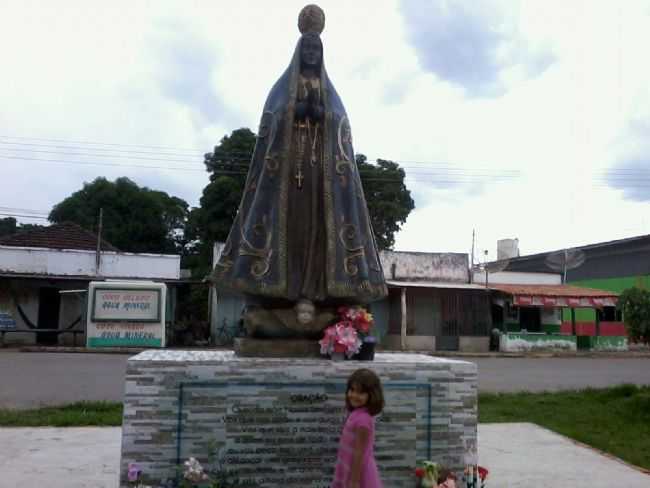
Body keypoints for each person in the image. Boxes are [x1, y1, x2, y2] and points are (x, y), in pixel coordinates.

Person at [211, 5, 387, 317]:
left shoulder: (329, 92)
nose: (310, 52)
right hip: (288, 181)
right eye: (305, 47)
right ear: (298, 51)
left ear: (321, 55)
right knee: (289, 231)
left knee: (318, 234)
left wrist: (324, 116)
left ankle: (314, 291)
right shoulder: (281, 91)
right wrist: (293, 112)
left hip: (322, 181)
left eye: (315, 48)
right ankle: (281, 293)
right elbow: (271, 122)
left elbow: (342, 127)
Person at [332, 368, 384, 488]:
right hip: (349, 468)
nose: (354, 395)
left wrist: (354, 482)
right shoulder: (356, 413)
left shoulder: (363, 420)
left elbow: (359, 452)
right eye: (352, 390)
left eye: (360, 392)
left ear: (372, 395)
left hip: (359, 474)